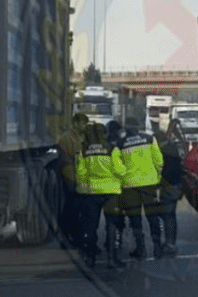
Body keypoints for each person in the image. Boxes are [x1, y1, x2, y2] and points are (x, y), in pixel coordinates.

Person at [106, 117, 163, 261]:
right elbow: (159, 160)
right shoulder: (150, 139)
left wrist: (124, 177)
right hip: (150, 183)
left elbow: (117, 166)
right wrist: (157, 175)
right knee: (153, 217)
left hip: (129, 186)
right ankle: (158, 248)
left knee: (135, 219)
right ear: (138, 126)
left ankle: (141, 249)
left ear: (125, 128)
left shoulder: (120, 144)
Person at [74, 122, 125, 268]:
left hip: (92, 193)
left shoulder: (83, 151)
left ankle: (90, 258)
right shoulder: (112, 149)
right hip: (111, 193)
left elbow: (81, 174)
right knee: (112, 226)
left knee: (90, 226)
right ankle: (112, 259)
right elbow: (119, 170)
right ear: (105, 134)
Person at [152, 117, 186, 257]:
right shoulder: (171, 148)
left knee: (157, 216)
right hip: (173, 185)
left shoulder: (156, 150)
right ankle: (170, 243)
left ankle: (158, 244)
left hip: (160, 186)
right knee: (169, 215)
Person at [56, 112, 89, 247]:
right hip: (70, 176)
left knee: (76, 208)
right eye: (82, 124)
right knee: (71, 208)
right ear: (75, 123)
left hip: (78, 176)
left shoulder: (80, 137)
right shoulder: (67, 138)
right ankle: (66, 236)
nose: (84, 126)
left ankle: (75, 236)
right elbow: (66, 158)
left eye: (85, 124)